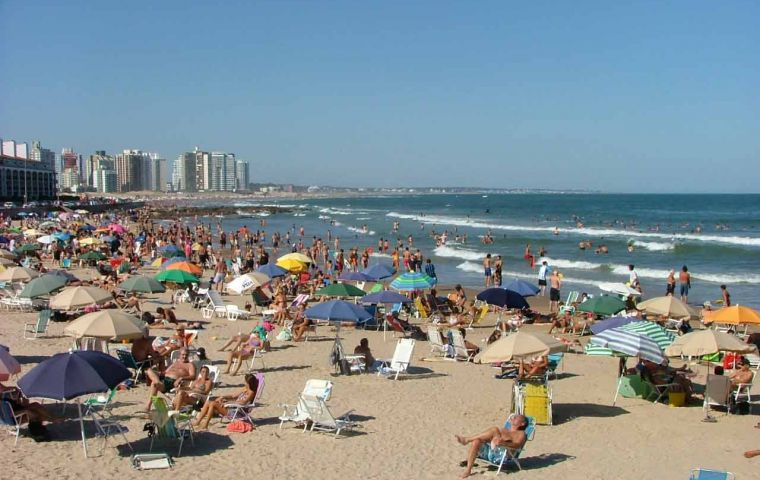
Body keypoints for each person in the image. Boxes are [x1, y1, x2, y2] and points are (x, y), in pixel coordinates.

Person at [455, 415, 529, 478]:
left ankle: (467, 440)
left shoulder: (521, 434)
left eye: (516, 417)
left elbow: (517, 445)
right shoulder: (503, 430)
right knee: (476, 441)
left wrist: (503, 443)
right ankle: (468, 470)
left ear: (522, 423)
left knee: (495, 430)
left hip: (500, 456)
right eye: (514, 416)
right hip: (491, 450)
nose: (513, 417)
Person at [192, 373, 259, 430]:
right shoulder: (245, 389)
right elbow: (233, 396)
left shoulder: (251, 393)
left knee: (213, 404)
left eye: (246, 382)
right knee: (208, 402)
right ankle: (198, 422)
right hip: (233, 407)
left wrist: (228, 403)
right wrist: (223, 397)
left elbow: (243, 403)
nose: (245, 383)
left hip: (237, 412)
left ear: (249, 383)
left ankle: (205, 425)